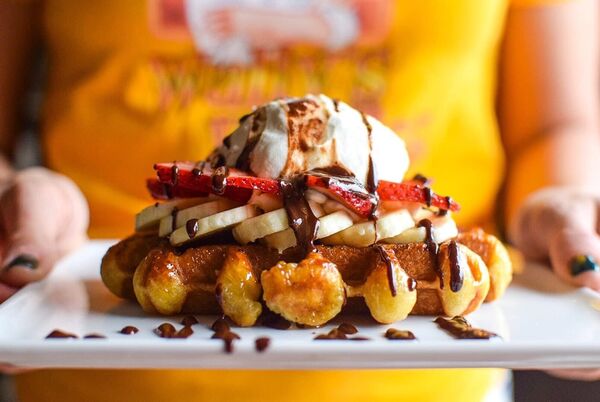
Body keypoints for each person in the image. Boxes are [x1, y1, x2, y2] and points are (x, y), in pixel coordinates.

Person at [1, 0, 599, 400]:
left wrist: (568, 200)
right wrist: (12, 202)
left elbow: (555, 123)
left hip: (435, 382)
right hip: (92, 366)